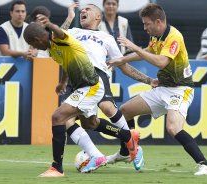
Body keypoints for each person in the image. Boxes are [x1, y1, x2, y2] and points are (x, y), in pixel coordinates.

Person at [23, 15, 140, 176]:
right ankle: (127, 136)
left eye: (32, 44)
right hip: (83, 86)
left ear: (37, 39)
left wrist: (50, 23)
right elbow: (67, 63)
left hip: (91, 86)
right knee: (89, 123)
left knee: (58, 117)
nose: (33, 47)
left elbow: (60, 32)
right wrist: (63, 82)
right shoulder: (52, 49)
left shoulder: (58, 38)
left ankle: (57, 168)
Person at [107, 3, 207, 176]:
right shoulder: (157, 35)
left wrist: (133, 47)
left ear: (158, 22)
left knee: (173, 128)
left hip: (181, 89)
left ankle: (205, 165)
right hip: (163, 87)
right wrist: (122, 59)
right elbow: (148, 50)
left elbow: (161, 62)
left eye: (146, 24)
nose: (144, 28)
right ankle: (126, 152)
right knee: (125, 111)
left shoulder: (174, 37)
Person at [61, 3, 152, 170]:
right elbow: (56, 39)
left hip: (97, 76)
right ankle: (114, 148)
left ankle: (132, 148)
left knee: (107, 106)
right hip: (77, 79)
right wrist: (69, 19)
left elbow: (123, 66)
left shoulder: (106, 38)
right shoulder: (73, 33)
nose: (84, 11)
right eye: (83, 10)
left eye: (88, 9)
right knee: (86, 123)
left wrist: (148, 80)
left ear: (98, 17)